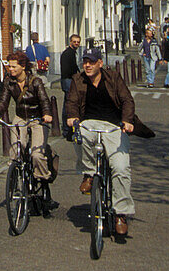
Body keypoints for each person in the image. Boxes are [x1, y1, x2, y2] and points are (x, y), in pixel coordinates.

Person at [66, 46, 154, 238]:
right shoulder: (77, 79)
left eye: (91, 62)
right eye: (85, 62)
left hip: (114, 126)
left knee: (120, 168)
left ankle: (121, 213)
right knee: (78, 136)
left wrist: (128, 121)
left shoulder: (113, 78)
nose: (87, 65)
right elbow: (71, 102)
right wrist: (72, 117)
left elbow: (127, 100)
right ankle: (89, 174)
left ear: (100, 63)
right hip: (89, 123)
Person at [0, 50, 56, 217]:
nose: (10, 69)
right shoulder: (9, 82)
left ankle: (44, 184)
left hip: (37, 119)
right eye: (9, 66)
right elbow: (3, 102)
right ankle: (17, 174)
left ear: (23, 67)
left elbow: (44, 100)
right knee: (16, 149)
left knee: (37, 155)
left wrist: (47, 114)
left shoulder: (35, 82)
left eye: (13, 66)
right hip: (20, 118)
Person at [60, 34, 81, 138]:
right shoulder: (67, 54)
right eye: (74, 41)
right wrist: (75, 76)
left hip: (69, 79)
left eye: (78, 42)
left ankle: (68, 128)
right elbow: (67, 69)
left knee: (69, 102)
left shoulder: (72, 53)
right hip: (68, 80)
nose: (76, 43)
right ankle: (66, 129)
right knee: (69, 103)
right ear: (70, 42)